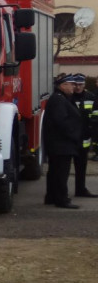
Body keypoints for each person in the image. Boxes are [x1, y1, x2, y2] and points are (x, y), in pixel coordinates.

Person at [43, 73, 84, 209]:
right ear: (63, 85)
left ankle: (52, 197)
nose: (74, 87)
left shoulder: (61, 98)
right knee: (61, 172)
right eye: (71, 84)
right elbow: (61, 121)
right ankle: (61, 199)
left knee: (55, 171)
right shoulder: (59, 100)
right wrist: (73, 135)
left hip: (60, 143)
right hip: (61, 144)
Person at [69, 74, 96, 198]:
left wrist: (93, 132)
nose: (78, 87)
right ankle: (61, 193)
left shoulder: (91, 97)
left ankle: (81, 190)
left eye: (80, 84)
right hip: (70, 139)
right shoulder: (68, 98)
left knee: (81, 167)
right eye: (76, 84)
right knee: (63, 169)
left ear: (84, 85)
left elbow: (95, 116)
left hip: (85, 137)